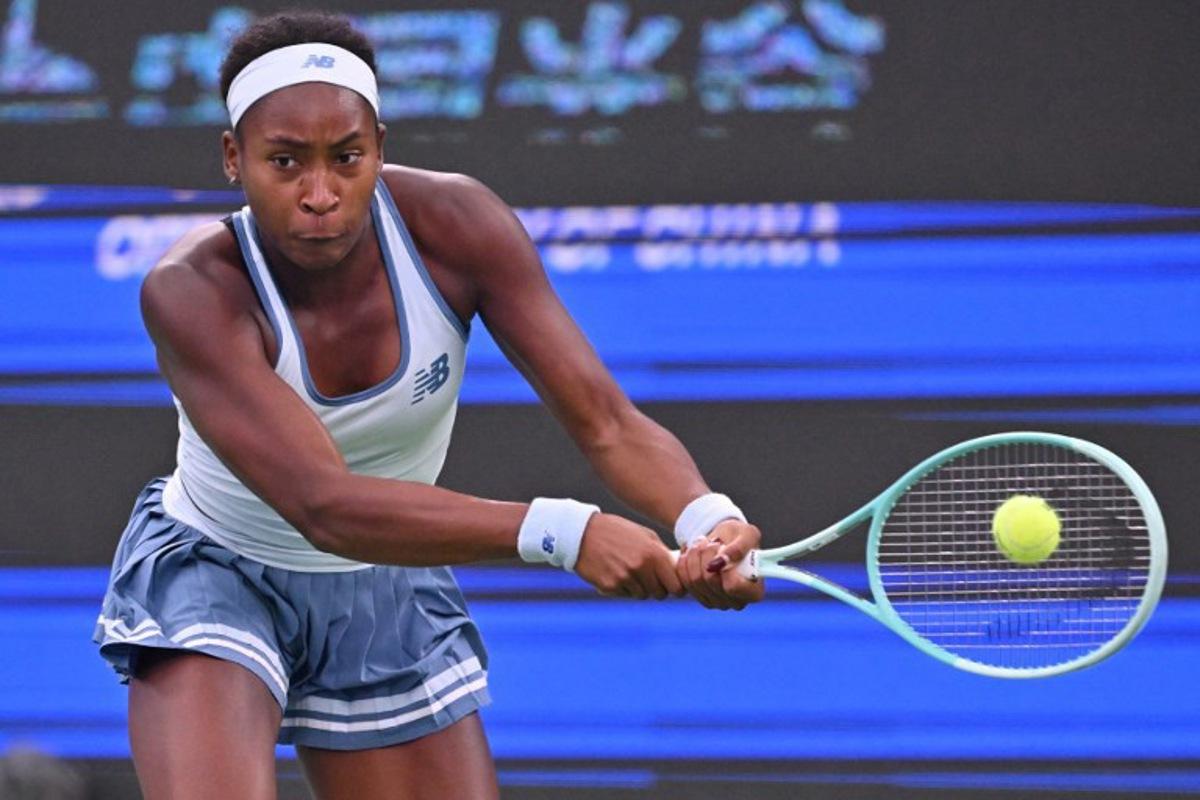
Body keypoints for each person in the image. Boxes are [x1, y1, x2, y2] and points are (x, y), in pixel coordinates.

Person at [93, 11, 763, 800]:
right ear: (234, 159)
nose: (320, 194)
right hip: (218, 573)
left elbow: (607, 422)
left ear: (380, 145)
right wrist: (565, 533)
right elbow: (324, 504)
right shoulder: (191, 291)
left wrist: (703, 521)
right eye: (285, 162)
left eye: (347, 158)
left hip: (388, 584)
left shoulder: (457, 224)